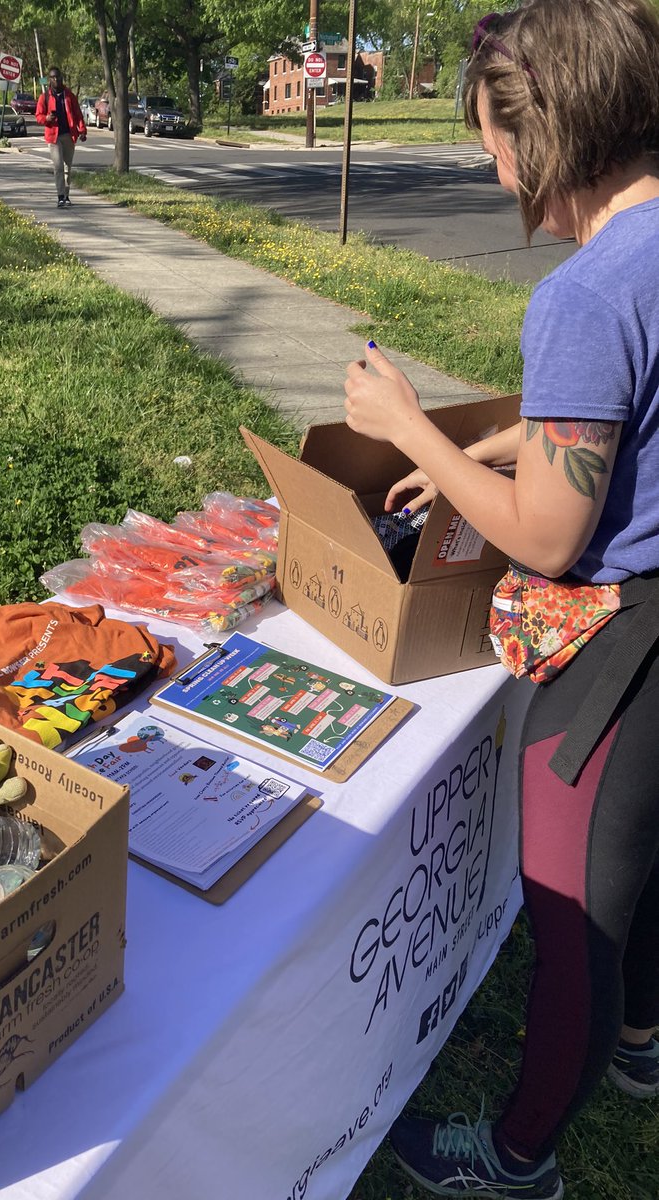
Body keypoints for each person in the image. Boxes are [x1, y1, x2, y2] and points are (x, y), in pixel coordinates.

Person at [342, 2, 659, 1197]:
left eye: (494, 137)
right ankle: (641, 1047)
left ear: (553, 133)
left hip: (624, 649)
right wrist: (515, 433)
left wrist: (412, 423)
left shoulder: (584, 295)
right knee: (648, 858)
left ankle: (519, 1155)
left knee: (574, 912)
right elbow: (622, 407)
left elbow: (548, 532)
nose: (491, 162)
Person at [35, 67, 86, 208]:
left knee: (67, 167)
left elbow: (77, 114)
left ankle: (67, 196)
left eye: (58, 77)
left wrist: (82, 130)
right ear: (49, 80)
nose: (56, 79)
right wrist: (47, 118)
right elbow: (38, 116)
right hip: (53, 136)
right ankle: (60, 196)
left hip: (68, 135)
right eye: (53, 77)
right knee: (58, 166)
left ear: (62, 77)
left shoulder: (69, 95)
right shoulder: (44, 97)